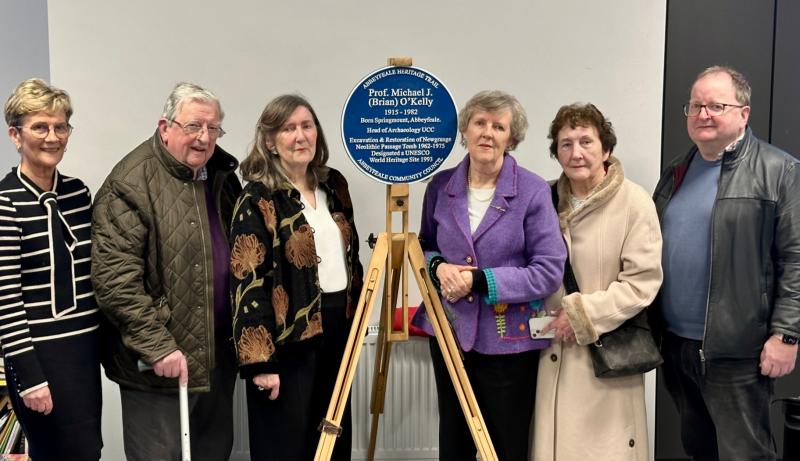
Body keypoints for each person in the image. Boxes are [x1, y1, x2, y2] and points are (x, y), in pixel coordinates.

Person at [652, 65, 800, 460]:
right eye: (696, 106)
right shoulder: (677, 171)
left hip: (738, 353)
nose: (703, 114)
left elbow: (796, 259)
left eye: (716, 105)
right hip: (679, 347)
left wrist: (787, 335)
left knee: (744, 455)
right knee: (699, 450)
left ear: (744, 113)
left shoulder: (779, 171)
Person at [410, 90, 566, 460]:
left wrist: (479, 281)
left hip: (509, 343)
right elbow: (426, 245)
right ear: (465, 130)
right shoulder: (440, 186)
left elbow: (548, 271)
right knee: (455, 442)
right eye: (480, 123)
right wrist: (438, 267)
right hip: (449, 335)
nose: (488, 133)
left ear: (511, 138)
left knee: (507, 445)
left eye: (499, 126)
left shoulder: (532, 191)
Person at [91, 82, 241, 461]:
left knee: (213, 454)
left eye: (213, 129)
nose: (203, 138)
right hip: (157, 366)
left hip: (216, 359)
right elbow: (115, 281)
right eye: (193, 126)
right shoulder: (129, 183)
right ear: (165, 127)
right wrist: (158, 347)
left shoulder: (222, 176)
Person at [230, 94, 363, 461]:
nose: (300, 135)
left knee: (333, 437)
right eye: (288, 129)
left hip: (338, 327)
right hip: (287, 339)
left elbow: (350, 258)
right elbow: (247, 280)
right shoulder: (258, 198)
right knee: (287, 444)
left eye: (307, 126)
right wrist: (260, 361)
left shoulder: (334, 186)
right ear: (270, 141)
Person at [531, 103, 663, 460]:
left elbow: (642, 283)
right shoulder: (541, 199)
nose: (576, 153)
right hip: (547, 353)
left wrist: (580, 315)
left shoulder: (634, 202)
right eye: (566, 143)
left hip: (604, 354)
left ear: (606, 149)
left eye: (586, 142)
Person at [0, 78, 102, 460]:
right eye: (40, 127)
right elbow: (6, 299)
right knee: (56, 452)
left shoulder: (78, 194)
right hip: (40, 357)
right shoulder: (5, 202)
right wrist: (30, 376)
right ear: (15, 134)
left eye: (61, 127)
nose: (52, 136)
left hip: (83, 351)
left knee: (88, 449)